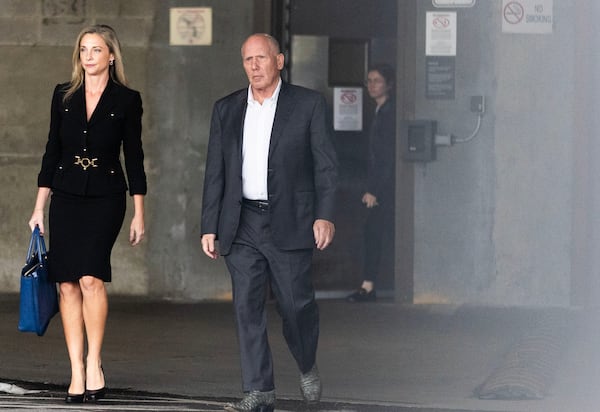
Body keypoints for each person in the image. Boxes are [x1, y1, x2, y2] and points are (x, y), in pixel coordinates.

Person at [200, 33, 338, 412]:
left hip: (290, 221)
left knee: (296, 307)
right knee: (247, 306)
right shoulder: (226, 109)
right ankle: (259, 391)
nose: (254, 66)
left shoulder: (307, 105)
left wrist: (324, 215)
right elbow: (216, 171)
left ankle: (306, 362)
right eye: (248, 59)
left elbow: (325, 165)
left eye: (261, 58)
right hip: (241, 222)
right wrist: (208, 224)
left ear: (279, 60)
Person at [28, 24, 146, 404]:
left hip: (106, 196)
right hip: (65, 194)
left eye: (96, 50)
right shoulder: (63, 96)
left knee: (91, 276)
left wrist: (139, 212)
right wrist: (38, 208)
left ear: (111, 55)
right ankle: (76, 370)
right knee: (66, 283)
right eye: (83, 49)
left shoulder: (127, 100)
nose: (89, 56)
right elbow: (51, 152)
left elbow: (136, 157)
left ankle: (95, 361)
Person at [347, 64, 396, 303]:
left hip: (383, 188)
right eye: (369, 80)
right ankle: (369, 284)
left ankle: (369, 286)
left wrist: (373, 190)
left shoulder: (388, 114)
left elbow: (385, 156)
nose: (372, 85)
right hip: (380, 185)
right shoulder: (378, 112)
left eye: (377, 80)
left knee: (374, 232)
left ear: (389, 84)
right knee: (373, 232)